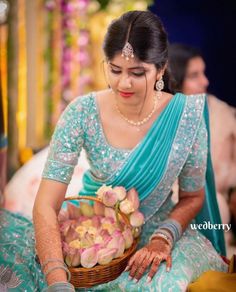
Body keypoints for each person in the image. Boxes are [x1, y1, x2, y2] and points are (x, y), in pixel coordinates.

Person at [0, 10, 228, 292]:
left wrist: (163, 238)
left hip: (158, 234)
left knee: (162, 284)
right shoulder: (81, 113)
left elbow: (193, 197)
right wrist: (57, 279)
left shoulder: (185, 117)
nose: (124, 83)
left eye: (137, 72)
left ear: (160, 68)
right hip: (90, 233)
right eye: (115, 69)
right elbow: (46, 204)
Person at [168, 43, 236, 236]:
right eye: (194, 75)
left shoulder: (219, 115)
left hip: (210, 205)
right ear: (175, 79)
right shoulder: (162, 114)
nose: (205, 81)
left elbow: (217, 178)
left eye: (203, 73)